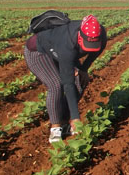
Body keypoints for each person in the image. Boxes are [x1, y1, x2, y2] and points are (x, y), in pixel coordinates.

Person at [23, 15, 108, 143]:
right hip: (38, 52)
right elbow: (68, 83)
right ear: (80, 36)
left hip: (59, 51)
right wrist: (76, 117)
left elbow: (95, 53)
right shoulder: (66, 43)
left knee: (80, 80)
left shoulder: (101, 35)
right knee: (56, 84)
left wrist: (83, 70)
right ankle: (55, 128)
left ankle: (64, 120)